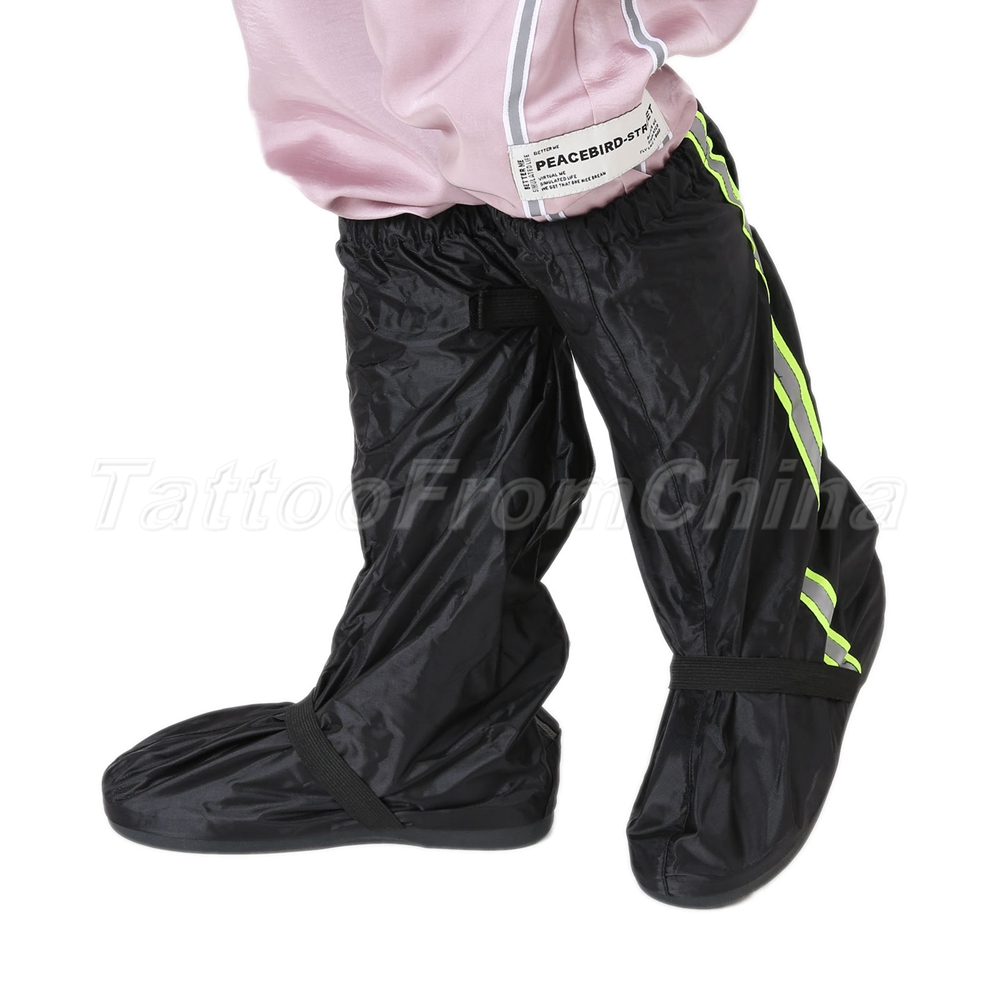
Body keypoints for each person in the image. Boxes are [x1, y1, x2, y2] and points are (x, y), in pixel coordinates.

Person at [103, 1, 885, 908]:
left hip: (611, 184)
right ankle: (437, 713)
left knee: (546, 110)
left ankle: (781, 615)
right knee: (364, 111)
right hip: (419, 229)